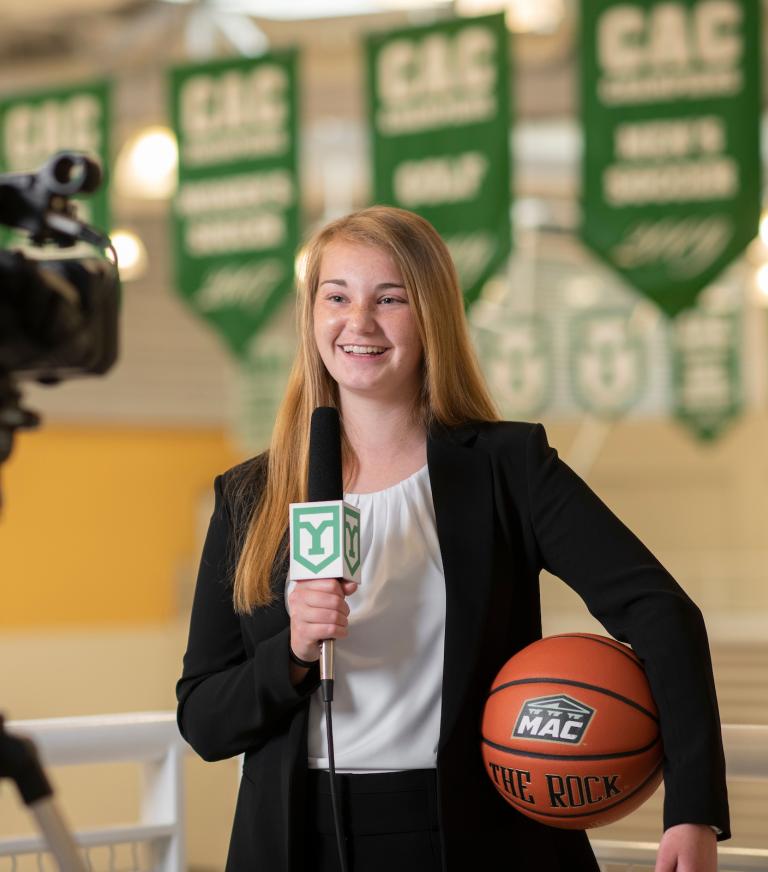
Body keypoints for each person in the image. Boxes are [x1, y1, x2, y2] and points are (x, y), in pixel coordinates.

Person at [177, 206, 729, 872]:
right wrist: (291, 653)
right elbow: (205, 720)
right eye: (337, 297)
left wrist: (691, 808)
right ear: (312, 317)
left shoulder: (508, 466)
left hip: (475, 836)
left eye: (390, 298)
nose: (359, 323)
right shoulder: (250, 497)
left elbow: (659, 610)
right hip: (300, 841)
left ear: (430, 314)